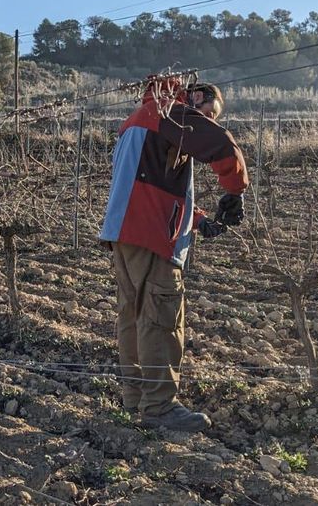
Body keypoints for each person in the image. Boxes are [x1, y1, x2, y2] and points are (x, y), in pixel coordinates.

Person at [99, 81, 248, 433]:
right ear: (198, 98)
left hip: (124, 234)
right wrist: (236, 192)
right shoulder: (172, 114)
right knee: (161, 319)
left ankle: (135, 397)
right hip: (151, 237)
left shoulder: (137, 119)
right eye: (210, 114)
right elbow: (221, 145)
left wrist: (196, 220)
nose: (209, 121)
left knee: (133, 318)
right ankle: (160, 407)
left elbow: (149, 185)